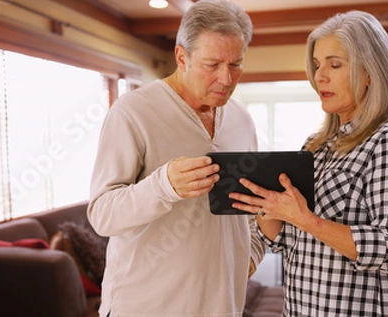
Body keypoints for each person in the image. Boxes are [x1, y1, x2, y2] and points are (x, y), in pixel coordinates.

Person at [228, 10, 388, 316]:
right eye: (316, 65)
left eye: (334, 65)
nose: (319, 76)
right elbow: (287, 238)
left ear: (369, 72)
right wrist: (267, 206)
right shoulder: (318, 146)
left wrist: (305, 219)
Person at [86, 0, 265, 316]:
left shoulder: (241, 119)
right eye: (212, 65)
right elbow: (102, 214)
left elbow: (251, 208)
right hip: (144, 306)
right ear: (182, 57)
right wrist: (163, 185)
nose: (226, 79)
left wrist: (249, 257)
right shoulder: (132, 112)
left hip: (222, 307)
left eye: (235, 64)